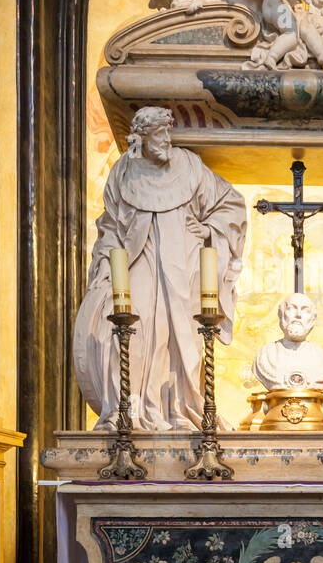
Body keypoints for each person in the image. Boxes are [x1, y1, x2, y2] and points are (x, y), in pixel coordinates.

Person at [73, 107, 246, 429]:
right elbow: (110, 223)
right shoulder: (124, 170)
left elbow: (230, 203)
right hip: (139, 261)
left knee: (184, 339)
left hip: (186, 267)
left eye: (169, 132)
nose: (167, 140)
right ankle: (132, 408)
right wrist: (105, 266)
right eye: (160, 134)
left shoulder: (189, 166)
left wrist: (209, 231)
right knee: (133, 330)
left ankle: (178, 407)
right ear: (142, 135)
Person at [253, 293, 323, 392]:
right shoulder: (265, 355)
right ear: (281, 315)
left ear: (312, 320)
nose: (298, 315)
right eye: (292, 308)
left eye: (305, 310)